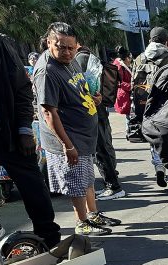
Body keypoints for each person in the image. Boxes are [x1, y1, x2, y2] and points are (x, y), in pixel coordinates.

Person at [33, 22, 121, 236]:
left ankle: (93, 214)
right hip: (69, 138)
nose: (67, 52)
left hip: (83, 136)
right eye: (61, 47)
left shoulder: (69, 61)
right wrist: (67, 145)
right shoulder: (47, 71)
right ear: (48, 43)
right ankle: (82, 222)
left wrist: (93, 98)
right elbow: (48, 113)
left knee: (87, 179)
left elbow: (76, 88)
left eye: (71, 48)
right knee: (76, 183)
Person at [0, 27, 60, 247]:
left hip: (8, 132)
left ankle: (49, 239)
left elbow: (23, 87)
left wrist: (24, 128)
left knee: (32, 184)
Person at [75, 44, 125, 201]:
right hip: (99, 108)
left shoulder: (81, 59)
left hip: (93, 109)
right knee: (104, 147)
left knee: (100, 150)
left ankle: (113, 185)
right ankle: (111, 183)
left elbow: (82, 86)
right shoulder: (90, 57)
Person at [131, 27, 168, 189]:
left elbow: (133, 83)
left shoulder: (139, 59)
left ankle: (159, 167)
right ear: (166, 41)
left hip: (146, 107)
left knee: (154, 139)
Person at [112, 47, 133, 140]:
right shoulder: (119, 66)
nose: (130, 60)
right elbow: (118, 82)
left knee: (130, 113)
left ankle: (130, 131)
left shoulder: (119, 64)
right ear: (126, 58)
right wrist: (131, 86)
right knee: (129, 113)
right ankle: (129, 132)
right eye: (129, 57)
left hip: (125, 93)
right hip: (124, 93)